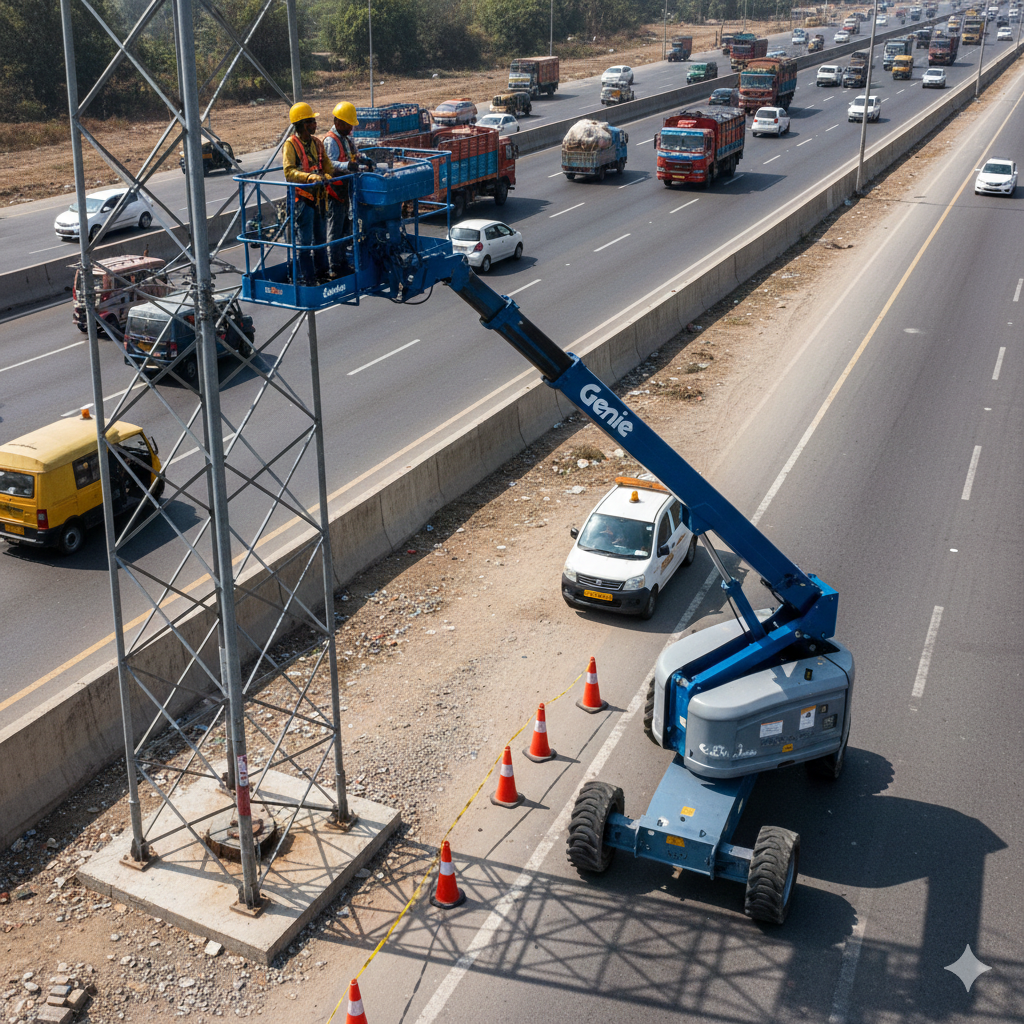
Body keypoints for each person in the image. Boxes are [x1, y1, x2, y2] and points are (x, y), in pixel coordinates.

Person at [282, 102, 338, 285]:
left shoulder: (316, 143)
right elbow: (289, 172)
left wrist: (327, 176)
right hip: (302, 201)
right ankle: (308, 277)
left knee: (320, 238)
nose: (315, 124)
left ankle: (322, 273)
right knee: (305, 242)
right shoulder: (291, 145)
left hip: (319, 198)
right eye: (312, 121)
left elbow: (328, 167)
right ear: (303, 123)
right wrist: (310, 178)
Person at [321, 101, 362, 279]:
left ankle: (343, 260)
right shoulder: (331, 140)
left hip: (345, 191)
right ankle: (333, 265)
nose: (351, 128)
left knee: (346, 227)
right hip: (334, 192)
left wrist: (364, 159)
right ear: (338, 123)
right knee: (335, 229)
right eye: (348, 124)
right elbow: (330, 164)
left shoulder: (346, 138)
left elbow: (356, 154)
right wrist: (348, 165)